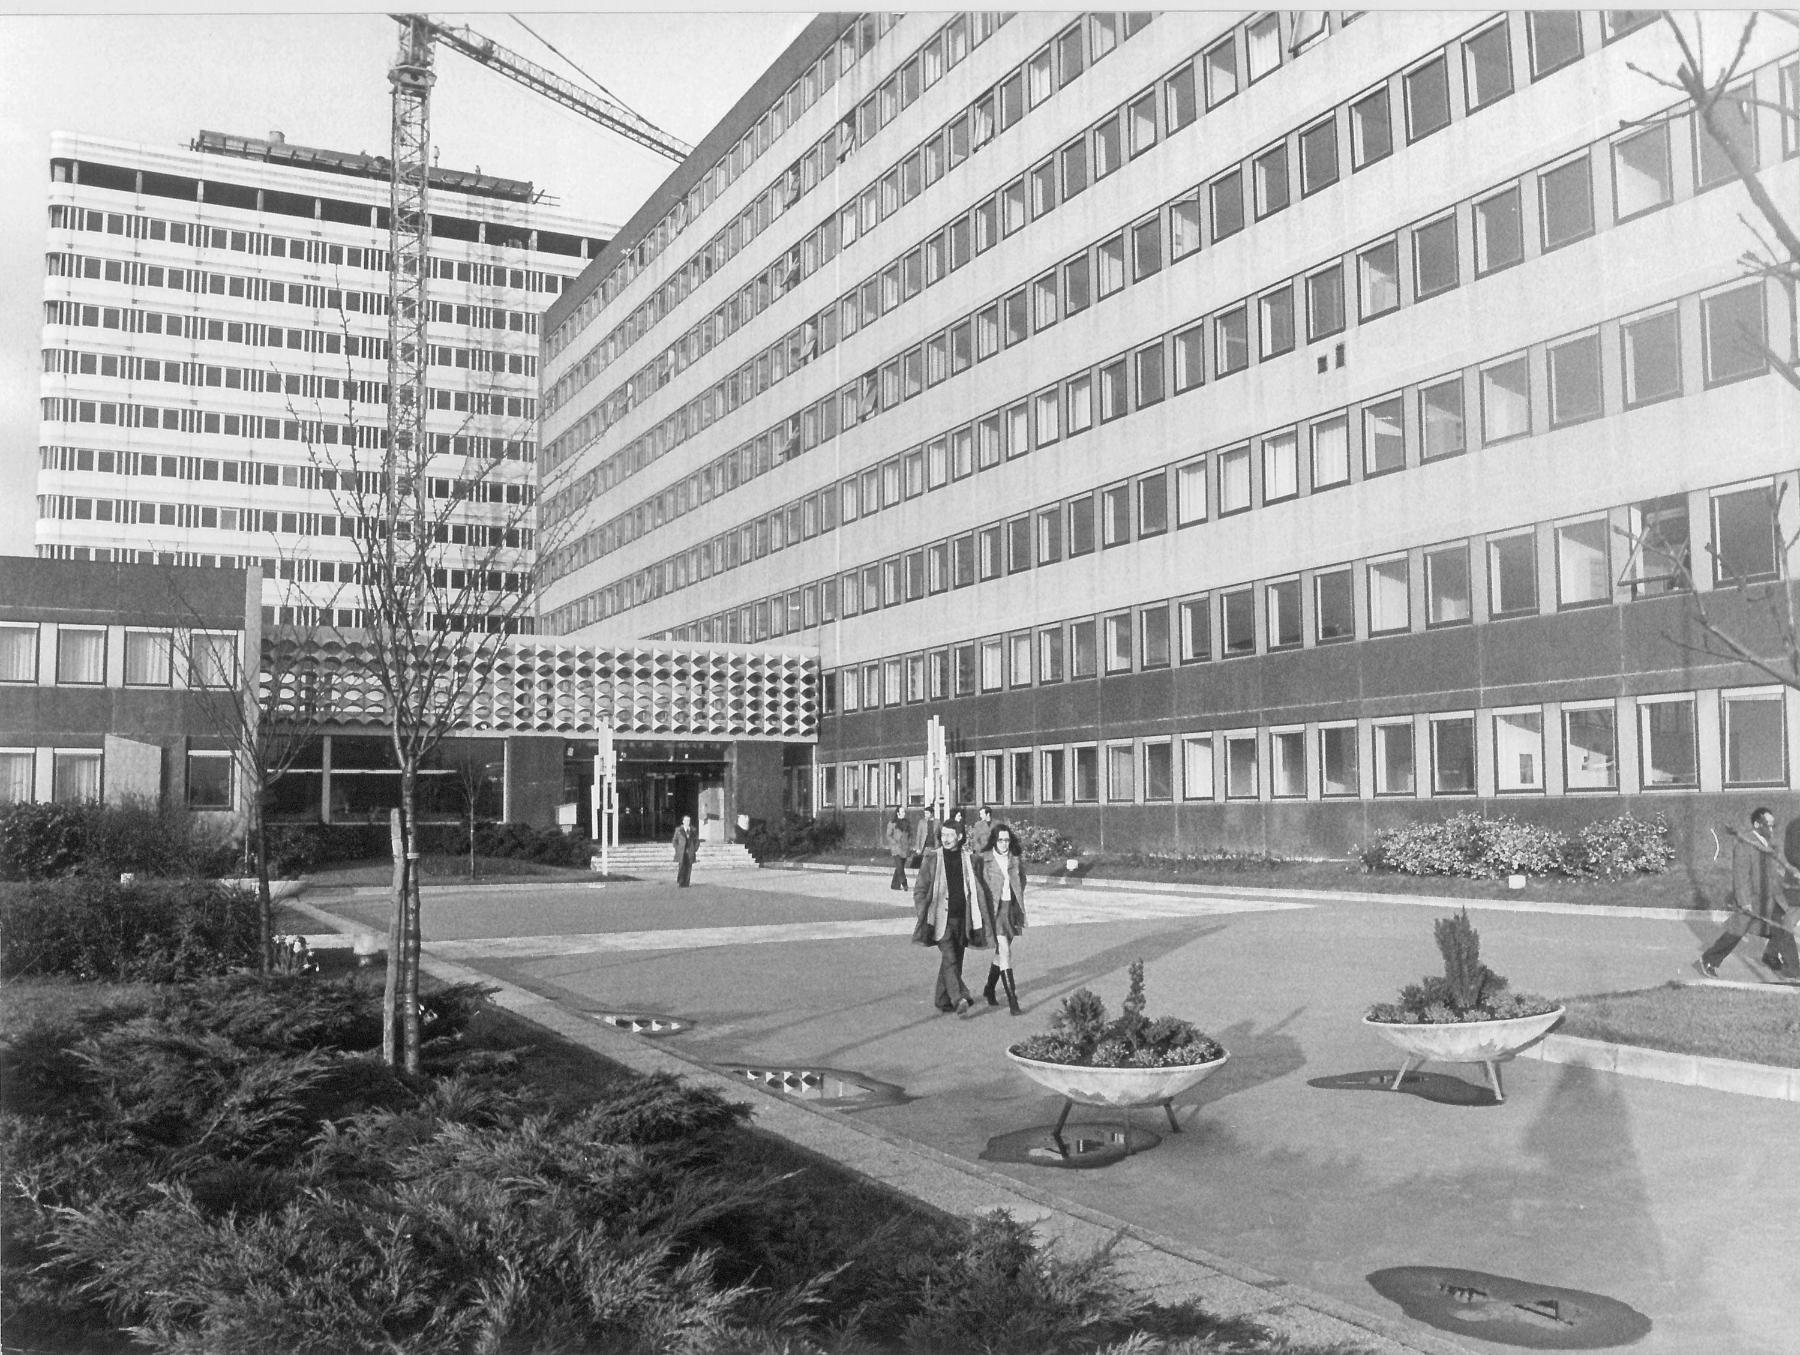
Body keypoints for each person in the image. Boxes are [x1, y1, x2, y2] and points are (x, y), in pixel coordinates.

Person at [1698, 807, 1799, 978]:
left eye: (1773, 825)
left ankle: (1793, 969)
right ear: (1757, 824)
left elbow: (1772, 871)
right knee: (1735, 933)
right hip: (1753, 899)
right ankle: (1709, 959)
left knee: (1783, 929)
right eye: (1768, 825)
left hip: (1772, 897)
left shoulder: (1768, 843)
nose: (1771, 829)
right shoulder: (1745, 843)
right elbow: (1740, 874)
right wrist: (1744, 901)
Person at [912, 818, 987, 1015]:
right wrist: (923, 911)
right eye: (943, 834)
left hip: (963, 918)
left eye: (950, 835)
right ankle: (959, 998)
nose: (945, 839)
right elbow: (920, 889)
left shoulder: (969, 859)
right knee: (950, 957)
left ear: (960, 837)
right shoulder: (932, 858)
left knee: (955, 960)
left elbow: (978, 886)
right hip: (940, 920)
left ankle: (941, 999)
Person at [976, 823, 1028, 1015]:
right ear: (994, 840)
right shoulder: (985, 860)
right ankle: (1013, 1000)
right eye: (1000, 840)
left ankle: (989, 989)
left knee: (1001, 953)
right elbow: (980, 886)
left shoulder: (1014, 859)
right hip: (994, 911)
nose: (1004, 844)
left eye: (1007, 840)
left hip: (1010, 908)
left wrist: (1017, 897)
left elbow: (1022, 879)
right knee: (1005, 951)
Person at [885, 807, 912, 891]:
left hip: (905, 848)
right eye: (902, 812)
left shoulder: (907, 823)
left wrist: (909, 843)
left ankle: (895, 885)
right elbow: (888, 835)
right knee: (900, 867)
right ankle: (905, 884)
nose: (904, 813)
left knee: (899, 867)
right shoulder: (892, 823)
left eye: (904, 811)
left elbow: (910, 834)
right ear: (898, 813)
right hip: (896, 848)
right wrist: (894, 843)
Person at [672, 814, 698, 887]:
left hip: (690, 851)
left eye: (688, 820)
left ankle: (687, 882)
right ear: (683, 821)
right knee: (681, 867)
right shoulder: (678, 830)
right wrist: (677, 849)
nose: (687, 822)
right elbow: (674, 840)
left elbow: (696, 840)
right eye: (686, 820)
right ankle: (681, 882)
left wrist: (695, 849)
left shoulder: (693, 830)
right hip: (681, 851)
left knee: (689, 867)